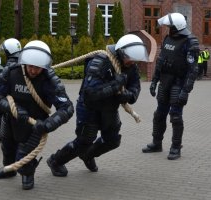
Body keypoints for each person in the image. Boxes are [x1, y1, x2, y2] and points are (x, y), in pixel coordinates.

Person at [46, 34, 149, 177]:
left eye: (134, 59)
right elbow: (91, 93)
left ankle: (87, 156)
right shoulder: (100, 62)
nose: (131, 62)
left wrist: (128, 95)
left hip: (109, 108)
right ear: (120, 52)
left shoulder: (131, 67)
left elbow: (135, 88)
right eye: (129, 58)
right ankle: (55, 160)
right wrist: (116, 85)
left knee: (112, 140)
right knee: (84, 140)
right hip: (89, 108)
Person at [0, 40, 74, 190]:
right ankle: (9, 170)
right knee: (7, 147)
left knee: (25, 155)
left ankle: (27, 174)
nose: (34, 71)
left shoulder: (49, 81)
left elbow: (67, 108)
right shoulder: (11, 72)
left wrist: (49, 124)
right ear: (25, 62)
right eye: (31, 66)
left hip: (35, 124)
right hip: (11, 118)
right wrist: (11, 108)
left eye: (38, 68)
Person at [142, 12, 199, 160]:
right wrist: (154, 81)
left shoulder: (190, 42)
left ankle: (175, 147)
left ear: (177, 26)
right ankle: (156, 143)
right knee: (159, 115)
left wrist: (186, 91)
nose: (168, 28)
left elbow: (193, 70)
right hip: (165, 82)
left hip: (178, 83)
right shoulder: (167, 39)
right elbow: (161, 61)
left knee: (175, 116)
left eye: (170, 26)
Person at [0, 38, 22, 143]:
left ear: (8, 52)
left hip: (11, 94)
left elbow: (4, 81)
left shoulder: (11, 63)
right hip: (16, 93)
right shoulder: (21, 59)